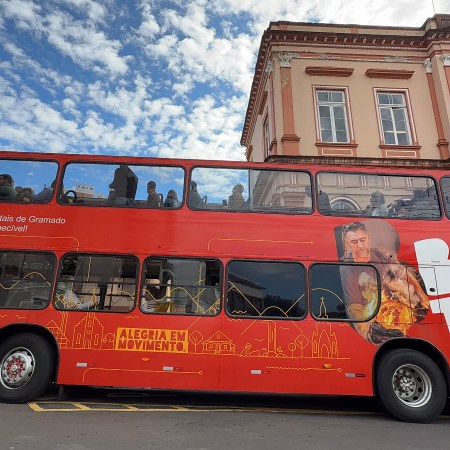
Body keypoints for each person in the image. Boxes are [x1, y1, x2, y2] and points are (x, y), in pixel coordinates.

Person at [339, 221, 429, 344]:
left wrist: (420, 295)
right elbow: (354, 306)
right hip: (375, 317)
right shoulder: (347, 269)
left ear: (368, 238)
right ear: (348, 243)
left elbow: (403, 273)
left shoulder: (380, 255)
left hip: (399, 312)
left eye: (362, 240)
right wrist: (369, 332)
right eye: (354, 242)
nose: (360, 245)